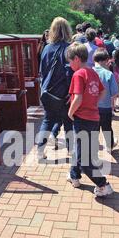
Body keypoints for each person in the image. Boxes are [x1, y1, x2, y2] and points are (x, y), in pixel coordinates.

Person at [66, 42, 114, 198]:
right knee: (81, 149)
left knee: (84, 160)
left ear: (77, 59)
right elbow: (103, 91)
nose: (69, 64)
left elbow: (78, 97)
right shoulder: (92, 72)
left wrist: (70, 112)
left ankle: (103, 184)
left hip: (83, 119)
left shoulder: (78, 74)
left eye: (70, 60)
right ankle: (74, 176)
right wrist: (93, 103)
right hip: (94, 118)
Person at [37, 17, 73, 160]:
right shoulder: (69, 49)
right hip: (63, 94)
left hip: (47, 93)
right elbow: (69, 72)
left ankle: (40, 152)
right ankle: (71, 153)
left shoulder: (46, 48)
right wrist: (72, 92)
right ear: (67, 30)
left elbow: (42, 71)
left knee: (47, 120)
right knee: (69, 122)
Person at [93, 48, 119, 152]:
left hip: (92, 107)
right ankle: (109, 147)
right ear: (105, 60)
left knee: (94, 129)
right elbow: (114, 92)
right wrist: (113, 106)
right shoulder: (109, 74)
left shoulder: (88, 72)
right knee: (107, 128)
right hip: (105, 107)